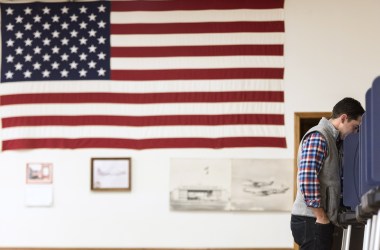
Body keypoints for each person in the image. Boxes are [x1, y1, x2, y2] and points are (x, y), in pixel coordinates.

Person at [290, 97, 365, 250]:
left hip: (315, 219)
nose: (355, 132)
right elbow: (307, 177)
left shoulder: (334, 140)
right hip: (311, 219)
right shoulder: (319, 136)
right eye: (355, 127)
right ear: (343, 118)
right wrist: (321, 216)